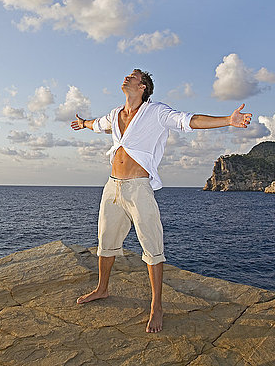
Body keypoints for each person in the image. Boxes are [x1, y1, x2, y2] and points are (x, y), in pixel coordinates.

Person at [70, 69, 252, 333]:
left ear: (143, 86)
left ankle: (157, 306)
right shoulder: (115, 114)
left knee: (152, 247)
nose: (126, 77)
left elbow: (188, 120)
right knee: (105, 242)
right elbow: (97, 124)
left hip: (139, 189)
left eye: (132, 76)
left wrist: (228, 120)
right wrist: (83, 122)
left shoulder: (156, 113)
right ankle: (102, 289)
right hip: (112, 187)